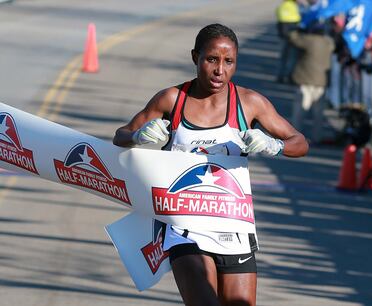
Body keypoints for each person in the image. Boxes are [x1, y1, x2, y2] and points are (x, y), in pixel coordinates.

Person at [113, 23, 308, 306]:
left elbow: (300, 142)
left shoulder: (249, 103)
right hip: (184, 228)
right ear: (196, 57)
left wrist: (274, 146)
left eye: (229, 62)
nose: (220, 70)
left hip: (234, 227)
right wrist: (138, 135)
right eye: (211, 59)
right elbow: (121, 135)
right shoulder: (172, 99)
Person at [288, 24, 335, 144]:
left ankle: (295, 137)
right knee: (318, 114)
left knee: (300, 111)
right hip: (322, 82)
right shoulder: (329, 43)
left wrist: (295, 29)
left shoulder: (309, 40)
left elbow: (293, 38)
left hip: (306, 81)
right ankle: (317, 137)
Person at [275, 0, 301, 83]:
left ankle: (280, 76)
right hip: (294, 33)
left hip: (283, 34)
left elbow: (279, 19)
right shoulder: (295, 7)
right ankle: (290, 76)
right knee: (293, 56)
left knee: (283, 57)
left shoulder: (282, 6)